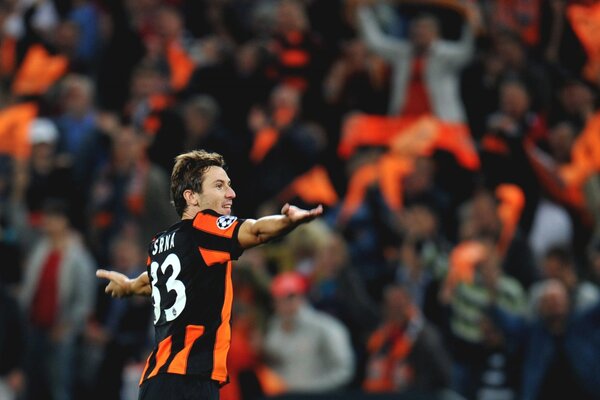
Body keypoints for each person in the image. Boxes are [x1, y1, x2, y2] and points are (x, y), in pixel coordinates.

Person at [96, 149, 323, 400]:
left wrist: (128, 285)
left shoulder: (159, 243)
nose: (231, 193)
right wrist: (287, 221)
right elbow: (256, 231)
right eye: (219, 185)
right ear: (191, 197)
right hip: (189, 379)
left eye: (229, 185)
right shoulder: (205, 226)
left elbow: (149, 282)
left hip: (155, 382)